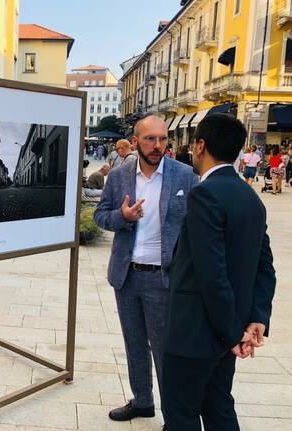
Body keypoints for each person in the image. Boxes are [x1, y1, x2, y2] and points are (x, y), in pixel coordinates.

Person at [161, 113, 276, 431]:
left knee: (181, 416)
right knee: (219, 408)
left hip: (195, 333)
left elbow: (212, 273)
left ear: (199, 146)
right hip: (228, 330)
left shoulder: (205, 194)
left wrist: (233, 333)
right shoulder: (250, 197)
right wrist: (257, 318)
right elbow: (265, 267)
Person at [94, 115, 199, 424]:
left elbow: (197, 224)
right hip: (126, 276)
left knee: (165, 351)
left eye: (163, 139)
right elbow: (101, 216)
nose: (158, 145)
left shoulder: (185, 176)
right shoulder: (119, 176)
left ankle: (174, 416)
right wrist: (122, 217)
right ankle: (142, 401)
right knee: (134, 342)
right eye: (150, 139)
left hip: (163, 278)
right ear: (136, 141)